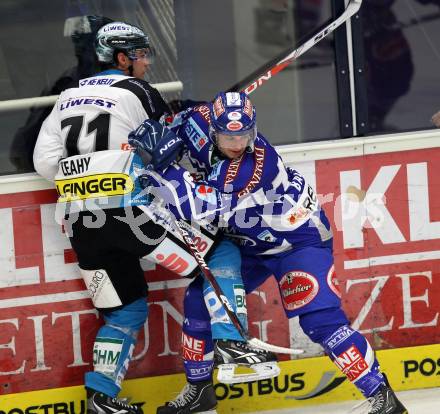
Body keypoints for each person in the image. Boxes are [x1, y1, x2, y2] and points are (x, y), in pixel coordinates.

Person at [33, 22, 277, 414]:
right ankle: (232, 343)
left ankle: (101, 398)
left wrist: (88, 173)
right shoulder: (139, 92)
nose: (146, 63)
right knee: (220, 256)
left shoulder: (66, 97)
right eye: (141, 55)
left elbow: (44, 162)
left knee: (124, 309)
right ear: (122, 58)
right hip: (131, 212)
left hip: (81, 222)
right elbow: (168, 145)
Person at [129, 91, 409, 414]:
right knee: (199, 299)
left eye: (244, 135)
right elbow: (178, 123)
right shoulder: (201, 120)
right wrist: (167, 123)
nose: (237, 144)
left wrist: (163, 165)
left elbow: (195, 207)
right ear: (212, 129)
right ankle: (199, 391)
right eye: (228, 135)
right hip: (251, 243)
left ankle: (382, 396)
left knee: (321, 323)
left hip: (298, 242)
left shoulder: (253, 166)